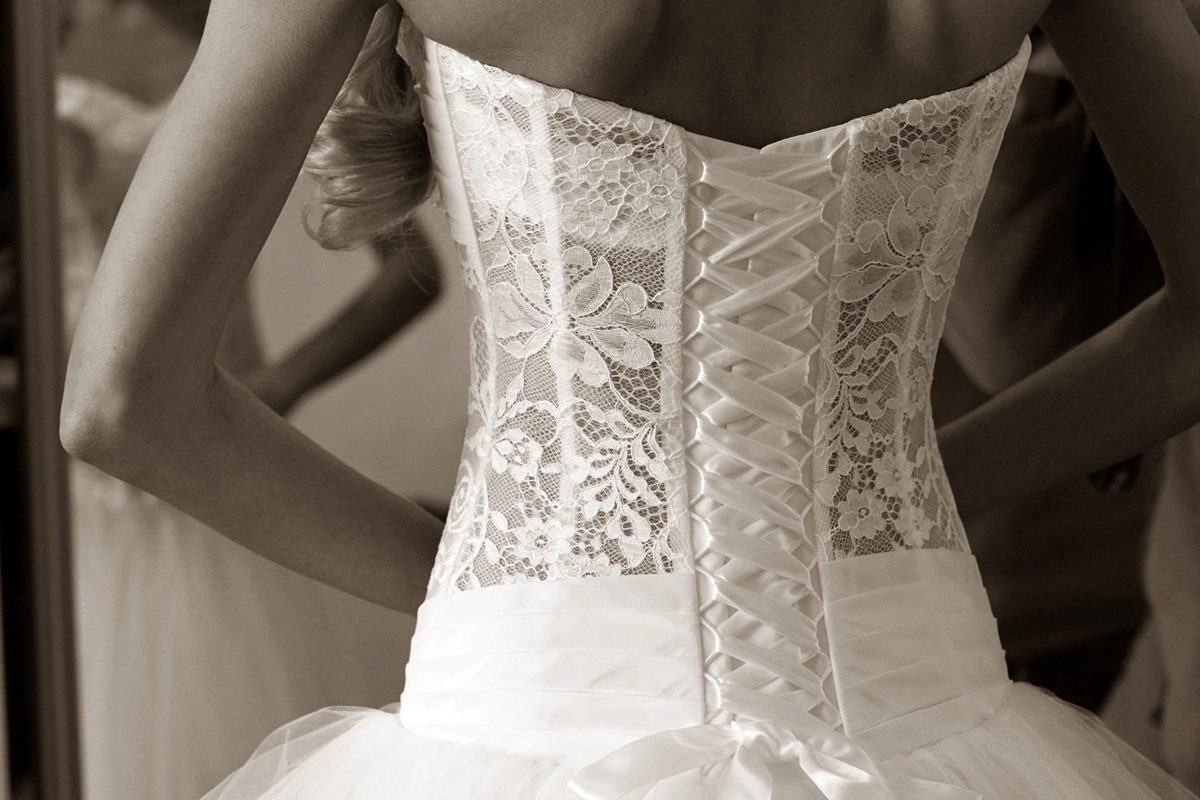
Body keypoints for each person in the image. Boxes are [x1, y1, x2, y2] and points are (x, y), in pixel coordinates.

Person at [59, 0, 1200, 797]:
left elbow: (126, 402)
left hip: (536, 698)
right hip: (918, 695)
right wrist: (880, 508)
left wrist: (485, 588)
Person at [56, 2, 443, 797]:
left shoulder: (273, 26)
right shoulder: (42, 48)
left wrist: (280, 382)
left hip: (216, 469)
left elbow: (410, 276)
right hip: (79, 505)